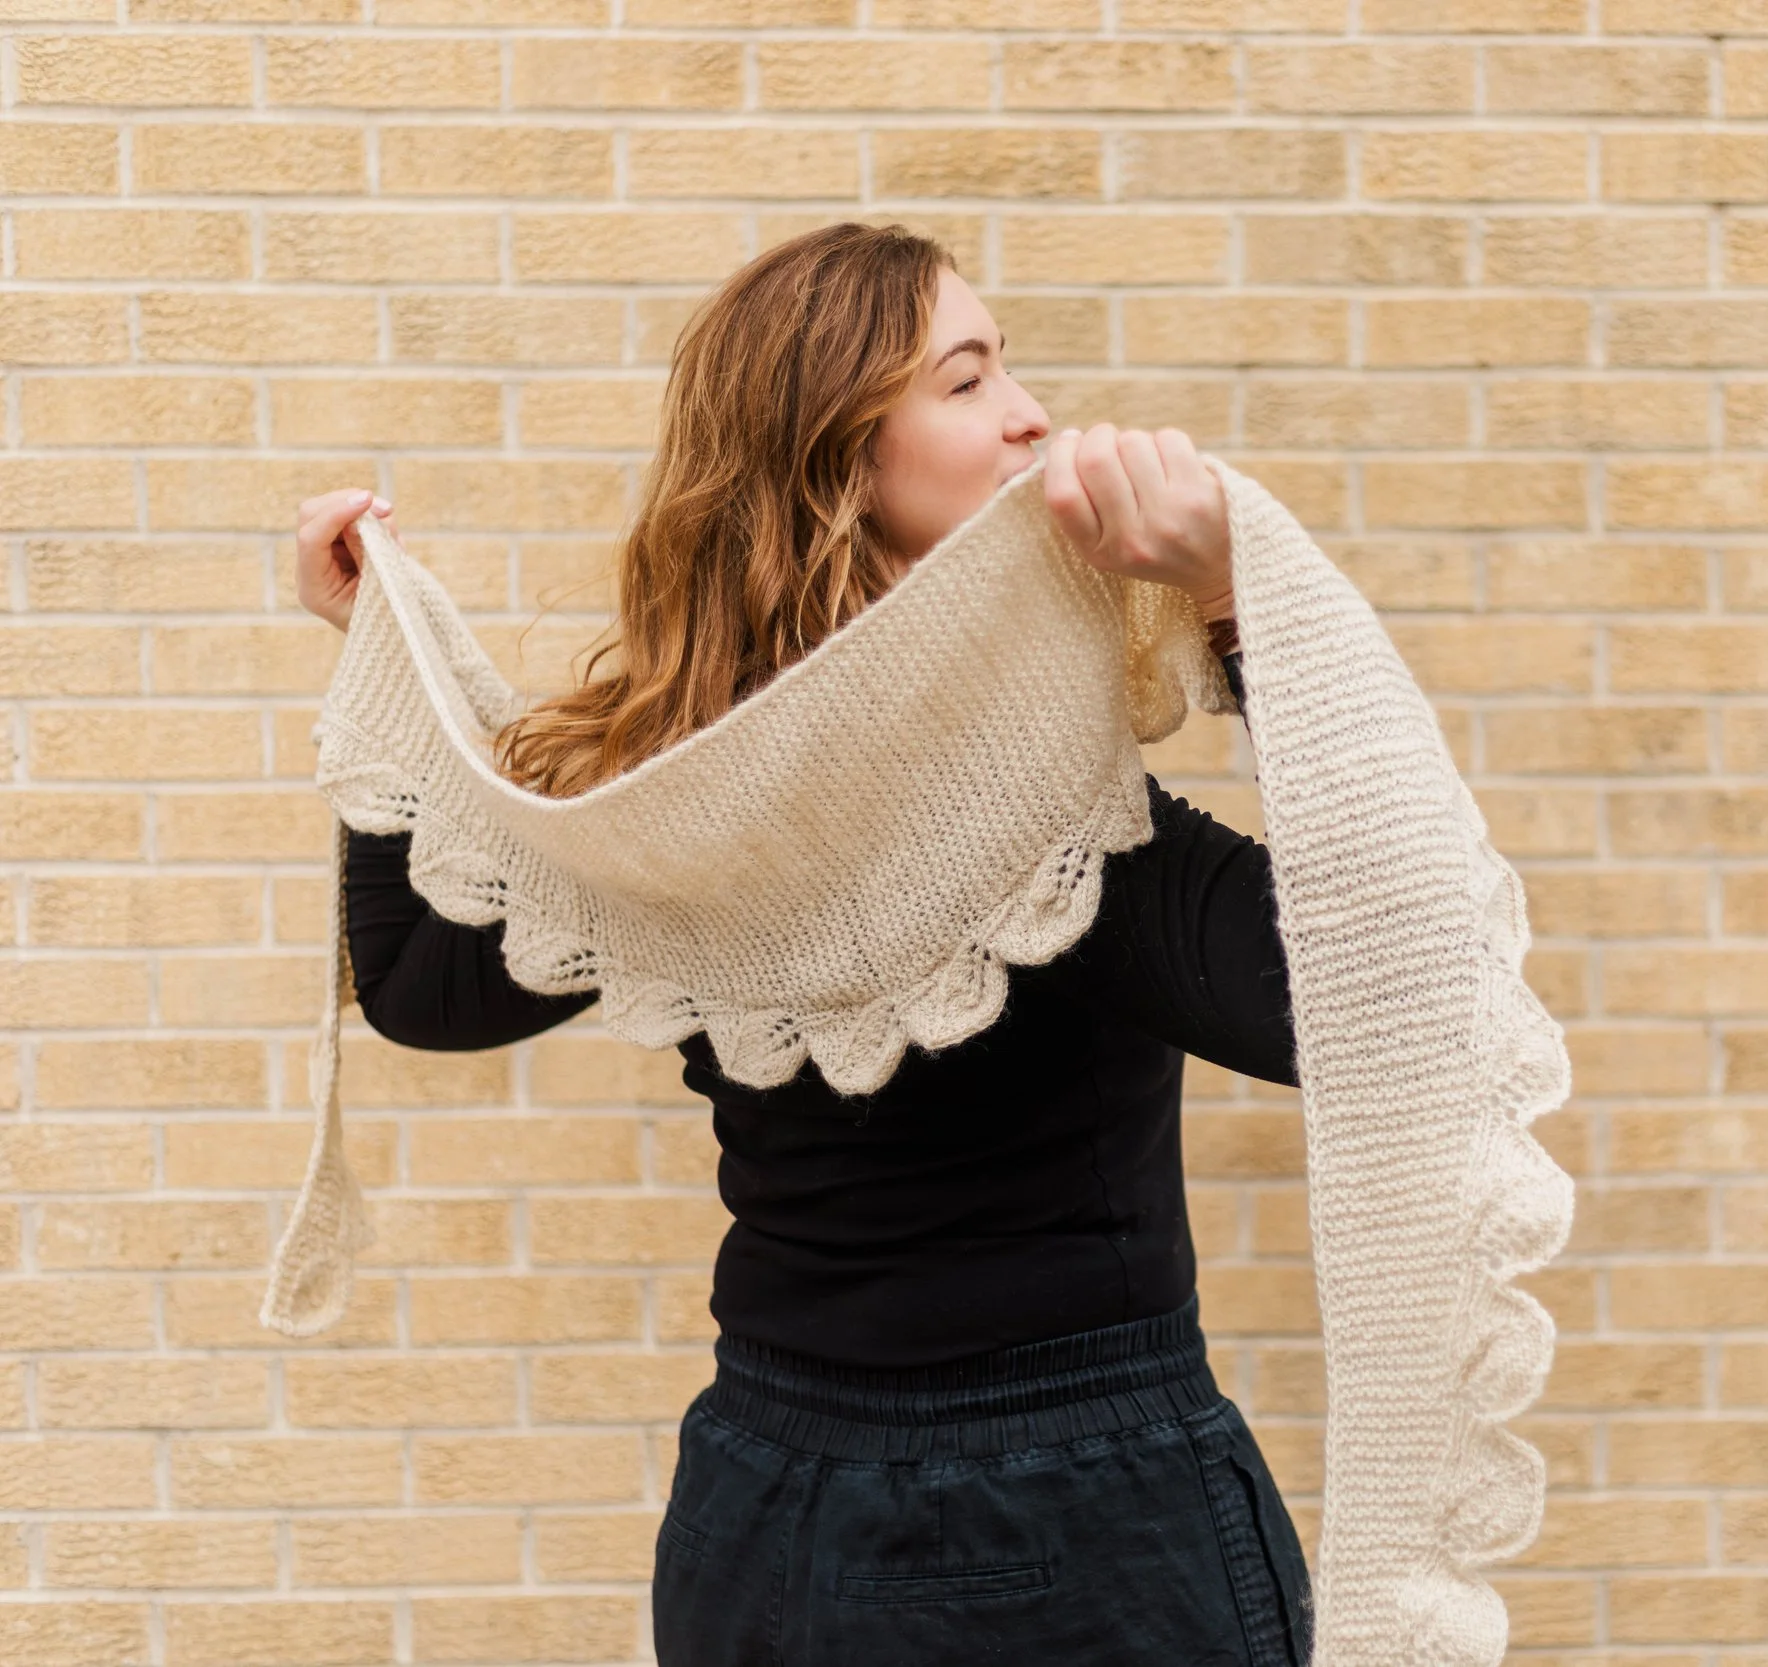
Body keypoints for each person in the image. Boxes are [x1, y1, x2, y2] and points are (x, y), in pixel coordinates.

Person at [290, 223, 1313, 1667]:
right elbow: (1352, 991)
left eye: (1008, 366)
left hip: (766, 1518)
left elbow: (417, 987)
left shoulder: (685, 779)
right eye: (967, 380)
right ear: (839, 459)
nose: (1028, 408)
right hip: (1076, 1522)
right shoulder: (1031, 801)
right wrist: (1232, 603)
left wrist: (376, 653)